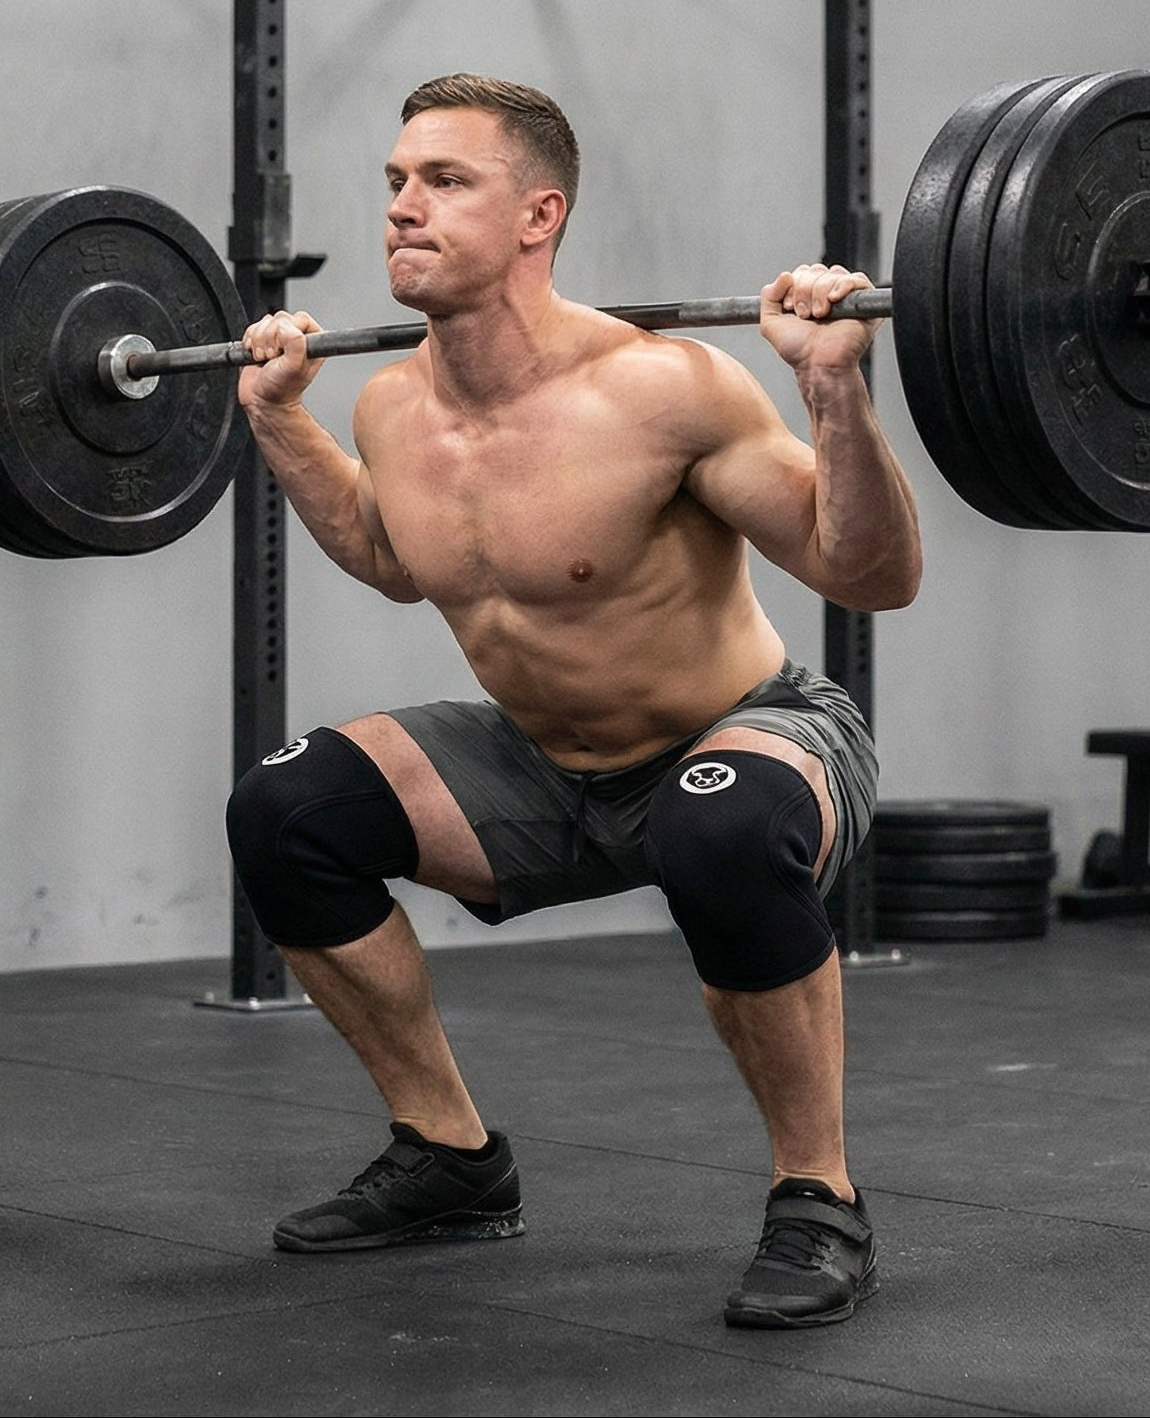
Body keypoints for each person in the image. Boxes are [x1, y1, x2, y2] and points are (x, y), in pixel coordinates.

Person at [226, 72, 922, 1330]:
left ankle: (817, 1197)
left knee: (718, 826)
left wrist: (833, 389)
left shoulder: (663, 390)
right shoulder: (389, 407)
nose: (402, 209)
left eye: (444, 182)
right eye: (394, 182)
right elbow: (394, 564)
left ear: (539, 216)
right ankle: (447, 1156)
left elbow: (872, 575)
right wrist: (282, 428)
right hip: (543, 760)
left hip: (746, 733)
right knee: (286, 809)